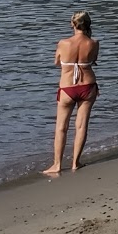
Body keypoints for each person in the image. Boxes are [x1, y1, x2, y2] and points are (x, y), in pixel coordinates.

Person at [45, 10, 99, 175]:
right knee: (81, 126)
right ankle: (76, 162)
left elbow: (57, 62)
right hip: (88, 86)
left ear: (72, 24)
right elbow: (94, 61)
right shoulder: (94, 43)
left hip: (67, 88)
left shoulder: (63, 43)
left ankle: (57, 165)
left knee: (61, 127)